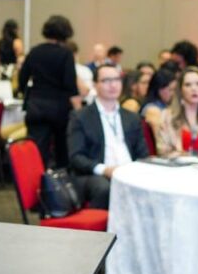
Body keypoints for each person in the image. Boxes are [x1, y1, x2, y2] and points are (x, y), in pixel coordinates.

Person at [67, 64, 149, 208]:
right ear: (95, 84)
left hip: (129, 172)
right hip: (98, 174)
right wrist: (105, 169)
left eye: (116, 80)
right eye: (106, 80)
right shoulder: (81, 117)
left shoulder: (132, 117)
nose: (113, 85)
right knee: (104, 187)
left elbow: (143, 154)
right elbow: (76, 157)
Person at [18, 15, 77, 167]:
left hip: (36, 105)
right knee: (61, 149)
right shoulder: (65, 54)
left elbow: (22, 78)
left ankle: (35, 182)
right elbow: (70, 84)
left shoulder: (34, 51)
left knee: (37, 149)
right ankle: (60, 182)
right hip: (59, 108)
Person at [155, 66, 198, 158]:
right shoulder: (167, 116)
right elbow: (163, 150)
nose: (194, 89)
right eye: (188, 85)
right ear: (181, 90)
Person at [140, 66, 178, 130]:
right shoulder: (151, 109)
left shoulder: (168, 106)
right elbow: (160, 136)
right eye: (171, 89)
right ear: (159, 89)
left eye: (175, 90)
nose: (173, 93)